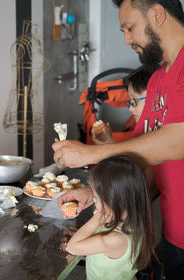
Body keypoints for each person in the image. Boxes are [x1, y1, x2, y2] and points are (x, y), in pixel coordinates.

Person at [53, 0, 184, 278]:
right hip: (175, 235)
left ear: (157, 14)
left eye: (130, 28)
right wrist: (99, 194)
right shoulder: (160, 79)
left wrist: (90, 154)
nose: (126, 40)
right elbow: (143, 163)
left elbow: (177, 140)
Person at [65, 155, 155, 280]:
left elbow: (72, 247)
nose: (94, 201)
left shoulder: (114, 239)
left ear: (112, 201)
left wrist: (96, 220)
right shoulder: (135, 223)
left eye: (95, 197)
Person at [92, 67, 152, 145]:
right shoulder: (142, 128)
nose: (130, 109)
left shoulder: (160, 133)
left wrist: (110, 144)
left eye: (134, 102)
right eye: (130, 102)